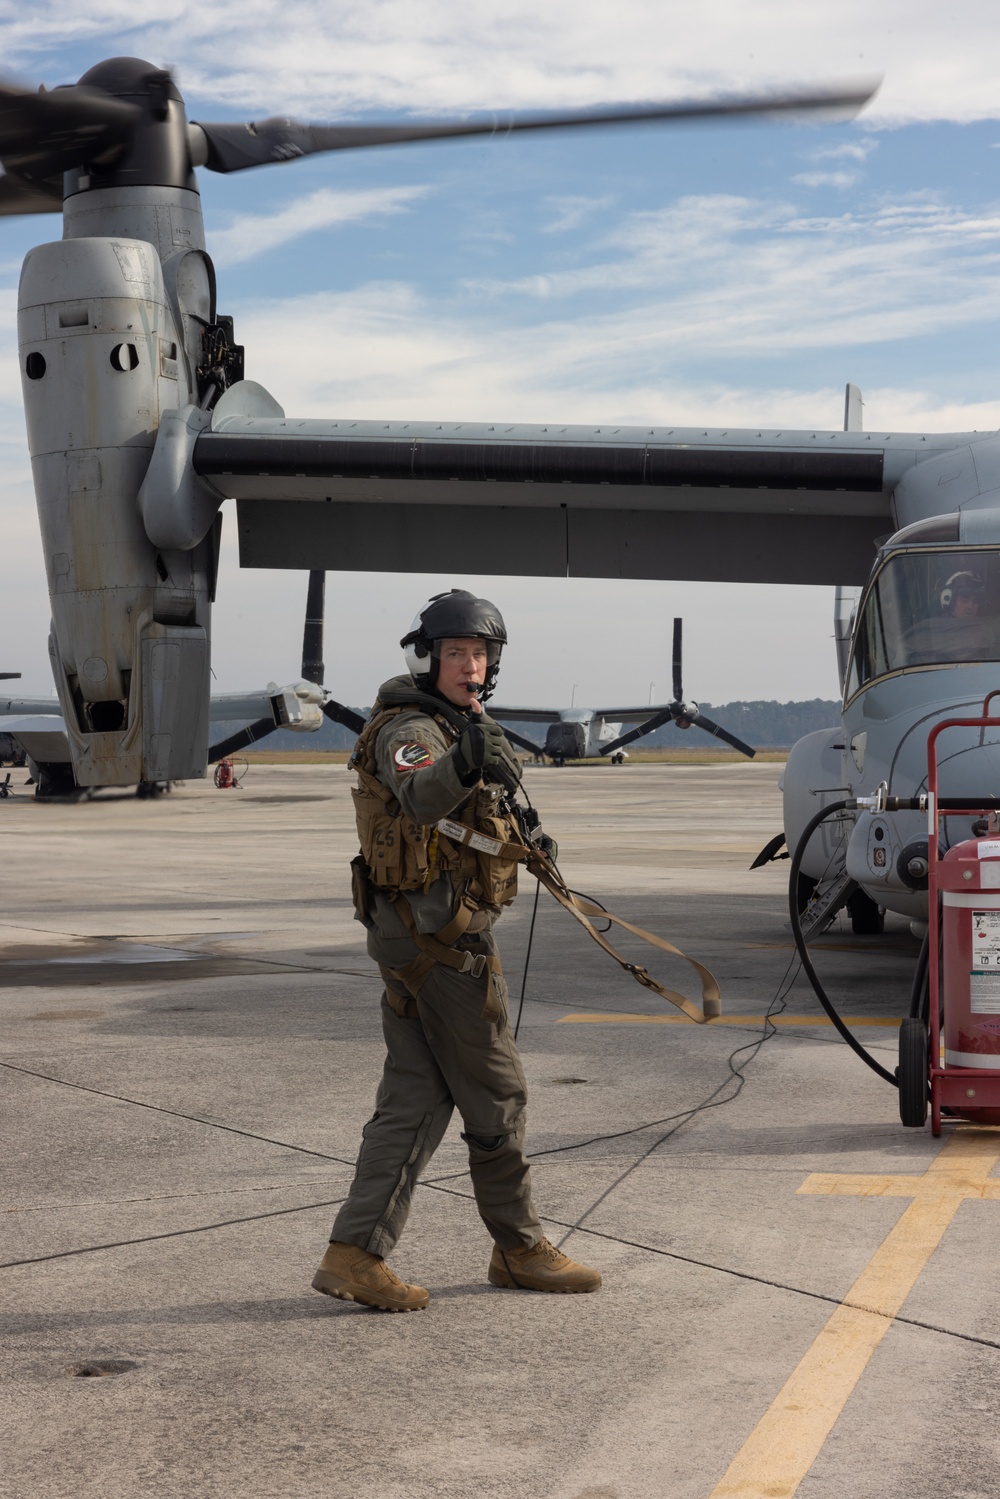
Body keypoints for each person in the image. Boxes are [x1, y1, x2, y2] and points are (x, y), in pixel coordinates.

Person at [312, 590, 601, 1311]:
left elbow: (469, 820)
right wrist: (468, 760)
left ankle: (354, 1253)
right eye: (456, 654)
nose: (469, 666)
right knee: (497, 1092)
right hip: (439, 945)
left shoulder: (463, 725)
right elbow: (419, 796)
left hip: (425, 936)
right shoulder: (411, 729)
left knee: (414, 1096)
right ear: (429, 657)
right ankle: (520, 1246)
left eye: (479, 654)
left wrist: (526, 845)